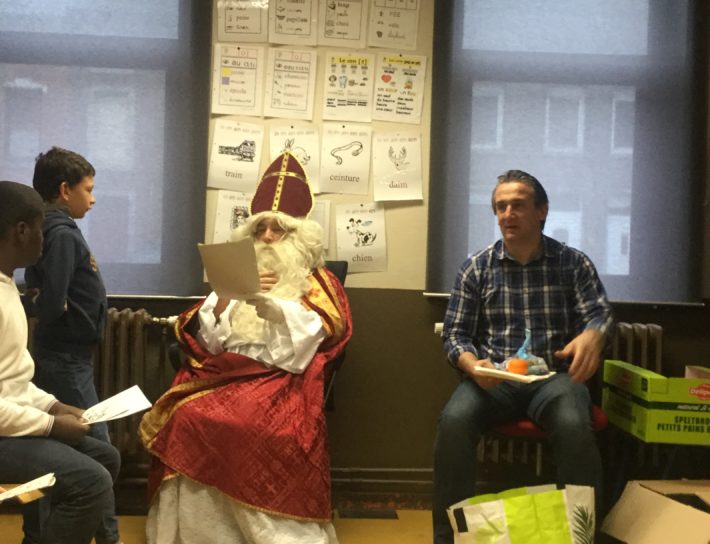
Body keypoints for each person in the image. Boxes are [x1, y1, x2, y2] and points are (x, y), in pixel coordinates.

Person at [139, 152, 352, 544]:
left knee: (247, 423)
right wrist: (224, 300)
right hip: (226, 372)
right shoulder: (235, 276)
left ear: (298, 236)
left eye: (278, 229)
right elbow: (209, 342)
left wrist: (274, 307)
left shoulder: (316, 281)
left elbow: (321, 333)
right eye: (259, 229)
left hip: (281, 377)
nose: (267, 237)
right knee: (185, 416)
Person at [432, 170, 613, 544]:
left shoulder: (572, 263)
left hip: (554, 379)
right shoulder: (477, 267)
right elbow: (455, 334)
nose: (507, 214)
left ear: (542, 211)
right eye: (501, 207)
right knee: (453, 423)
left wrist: (594, 334)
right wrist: (471, 364)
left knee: (574, 425)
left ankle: (582, 536)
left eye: (517, 205)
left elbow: (599, 313)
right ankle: (450, 538)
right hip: (494, 379)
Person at [0, 180, 121, 544]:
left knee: (106, 458)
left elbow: (13, 382)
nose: (45, 237)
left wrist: (55, 406)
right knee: (90, 481)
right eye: (41, 227)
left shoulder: (8, 286)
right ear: (22, 231)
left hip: (10, 425)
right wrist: (51, 425)